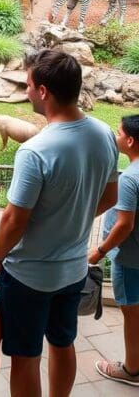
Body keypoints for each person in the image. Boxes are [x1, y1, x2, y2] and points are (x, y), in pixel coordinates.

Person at [0, 49, 119, 397]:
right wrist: (72, 217)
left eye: (28, 85)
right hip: (73, 271)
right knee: (63, 342)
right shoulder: (104, 133)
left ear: (43, 91)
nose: (26, 91)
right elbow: (111, 196)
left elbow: (14, 220)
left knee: (25, 356)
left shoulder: (35, 151)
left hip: (28, 275)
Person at [89, 114, 139, 387]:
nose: (117, 138)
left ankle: (132, 370)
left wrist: (99, 251)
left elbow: (124, 225)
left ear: (130, 141)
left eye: (119, 134)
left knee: (131, 312)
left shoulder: (130, 178)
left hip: (130, 260)